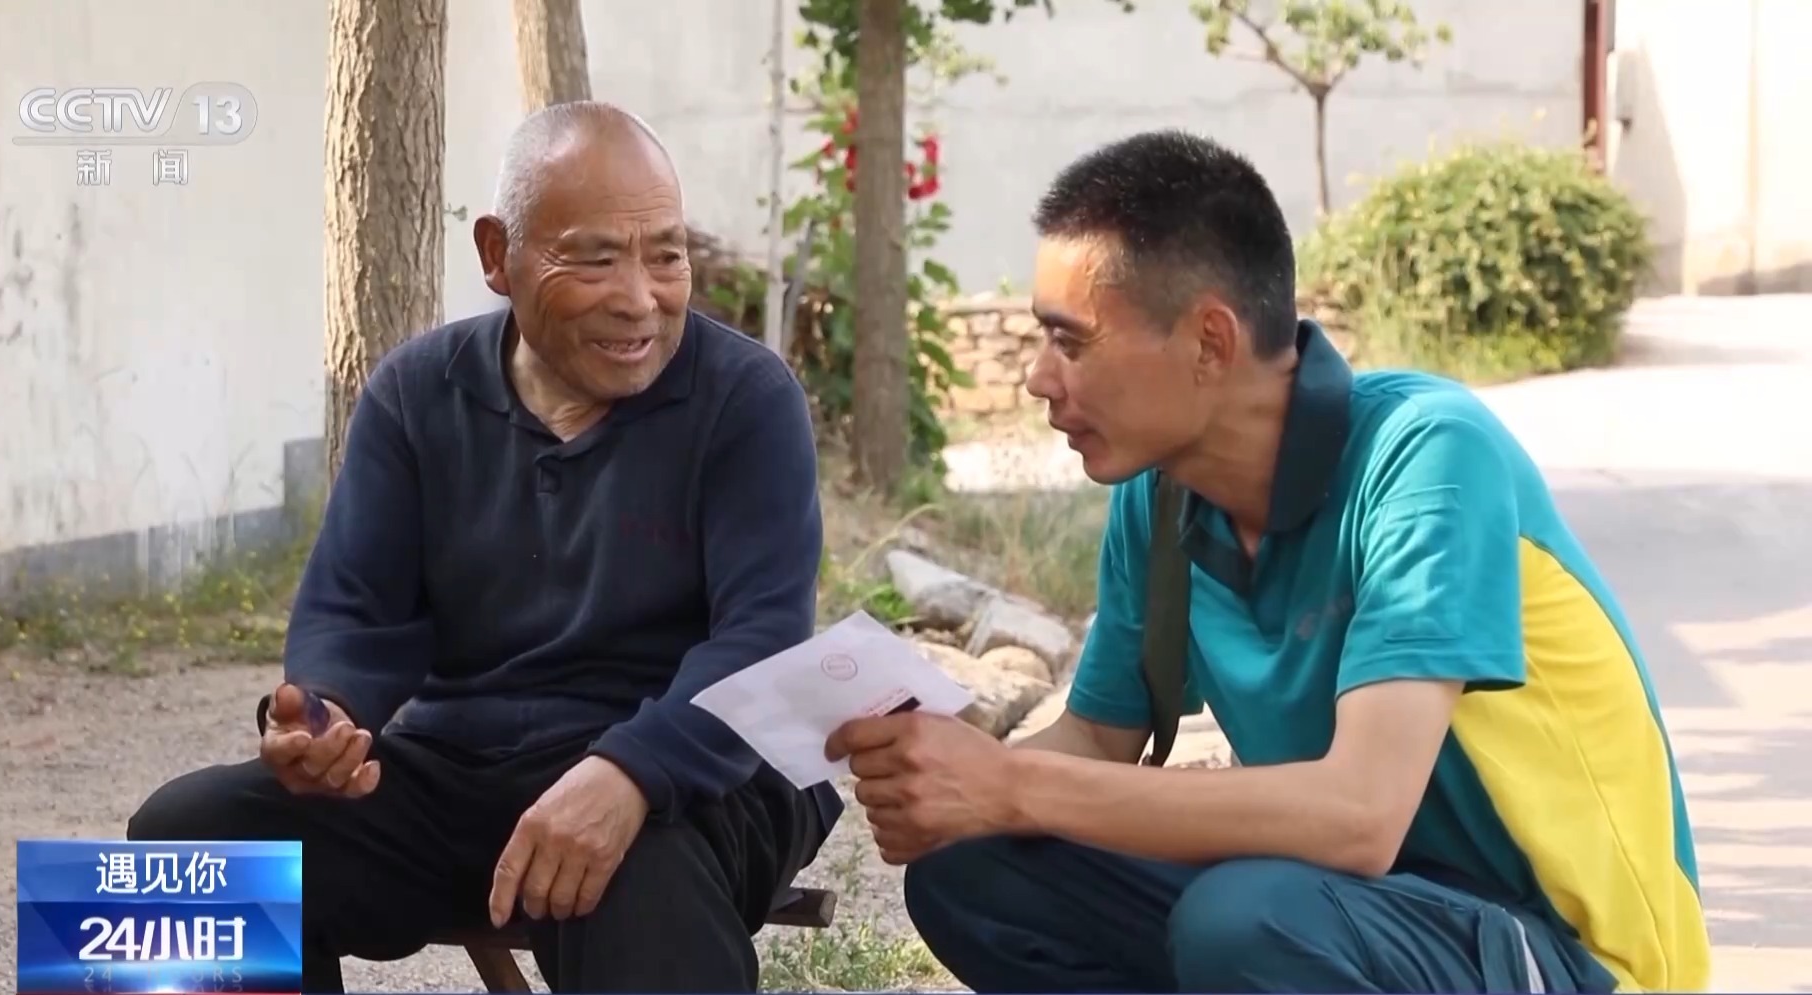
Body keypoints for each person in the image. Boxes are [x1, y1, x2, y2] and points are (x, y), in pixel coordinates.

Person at [824, 130, 1710, 994]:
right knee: (977, 870)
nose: (1038, 378)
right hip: (1345, 907)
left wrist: (1012, 785)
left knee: (1244, 921)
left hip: (1557, 948)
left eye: (1072, 341)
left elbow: (1361, 814)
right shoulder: (1159, 496)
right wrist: (949, 773)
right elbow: (1096, 740)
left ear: (1210, 342)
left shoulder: (1426, 455)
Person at [127, 101, 841, 994]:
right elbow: (356, 610)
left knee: (632, 878)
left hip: (698, 774)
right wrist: (328, 716)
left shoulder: (746, 398)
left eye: (666, 255)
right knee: (183, 843)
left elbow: (761, 645)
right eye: (595, 258)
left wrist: (629, 773)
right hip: (462, 770)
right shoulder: (416, 393)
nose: (640, 298)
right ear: (499, 254)